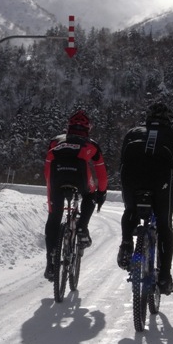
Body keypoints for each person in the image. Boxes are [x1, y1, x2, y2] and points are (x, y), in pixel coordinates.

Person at [117, 102, 173, 295]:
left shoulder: (133, 132)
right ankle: (164, 277)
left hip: (130, 176)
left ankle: (126, 244)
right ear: (169, 119)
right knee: (165, 226)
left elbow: (122, 160)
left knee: (130, 211)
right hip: (159, 179)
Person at [43, 110, 108, 281]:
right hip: (80, 177)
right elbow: (101, 174)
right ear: (88, 129)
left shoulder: (55, 141)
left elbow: (48, 165)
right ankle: (81, 227)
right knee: (90, 194)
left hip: (56, 176)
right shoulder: (91, 144)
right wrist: (101, 193)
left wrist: (50, 188)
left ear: (68, 127)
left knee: (54, 218)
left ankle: (51, 262)